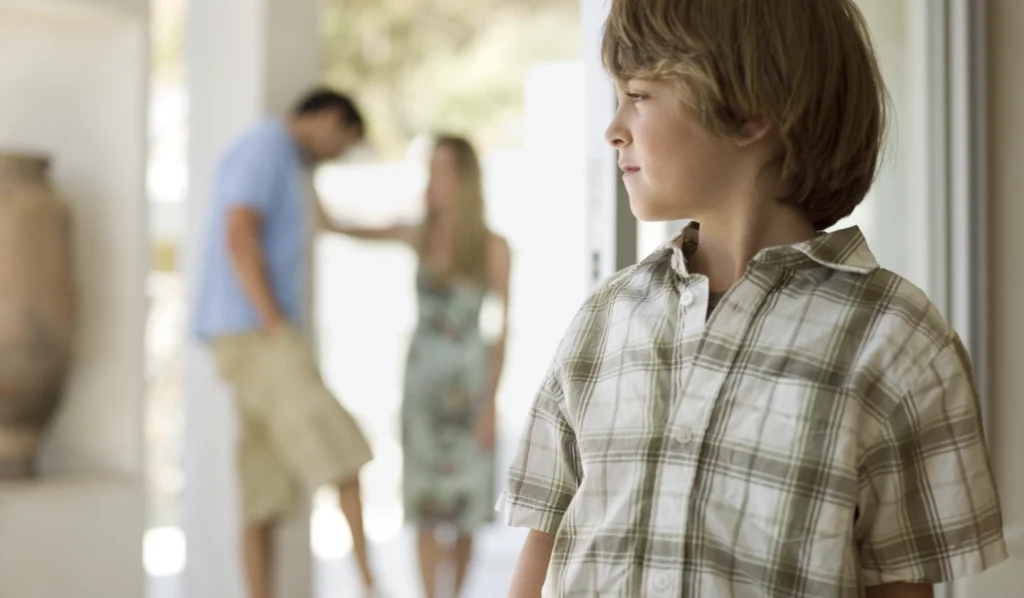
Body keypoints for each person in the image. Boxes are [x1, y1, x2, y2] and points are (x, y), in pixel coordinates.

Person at [499, 1, 1007, 597]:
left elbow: (900, 586)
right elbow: (544, 543)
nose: (613, 128)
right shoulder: (604, 322)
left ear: (749, 110)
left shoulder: (899, 342)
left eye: (637, 94)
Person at [193, 88, 382, 598]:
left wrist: (405, 231)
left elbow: (333, 225)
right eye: (345, 140)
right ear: (327, 118)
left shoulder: (292, 165)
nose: (340, 153)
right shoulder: (265, 147)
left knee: (264, 494)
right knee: (345, 454)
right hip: (259, 338)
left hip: (246, 340)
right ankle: (371, 587)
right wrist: (274, 324)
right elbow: (239, 233)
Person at [323, 135, 511, 598]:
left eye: (445, 169)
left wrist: (490, 402)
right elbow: (348, 228)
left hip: (470, 391)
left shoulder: (492, 247)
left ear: (465, 178)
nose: (436, 179)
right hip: (422, 389)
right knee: (424, 505)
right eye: (432, 168)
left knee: (465, 511)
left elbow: (503, 329)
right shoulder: (418, 233)